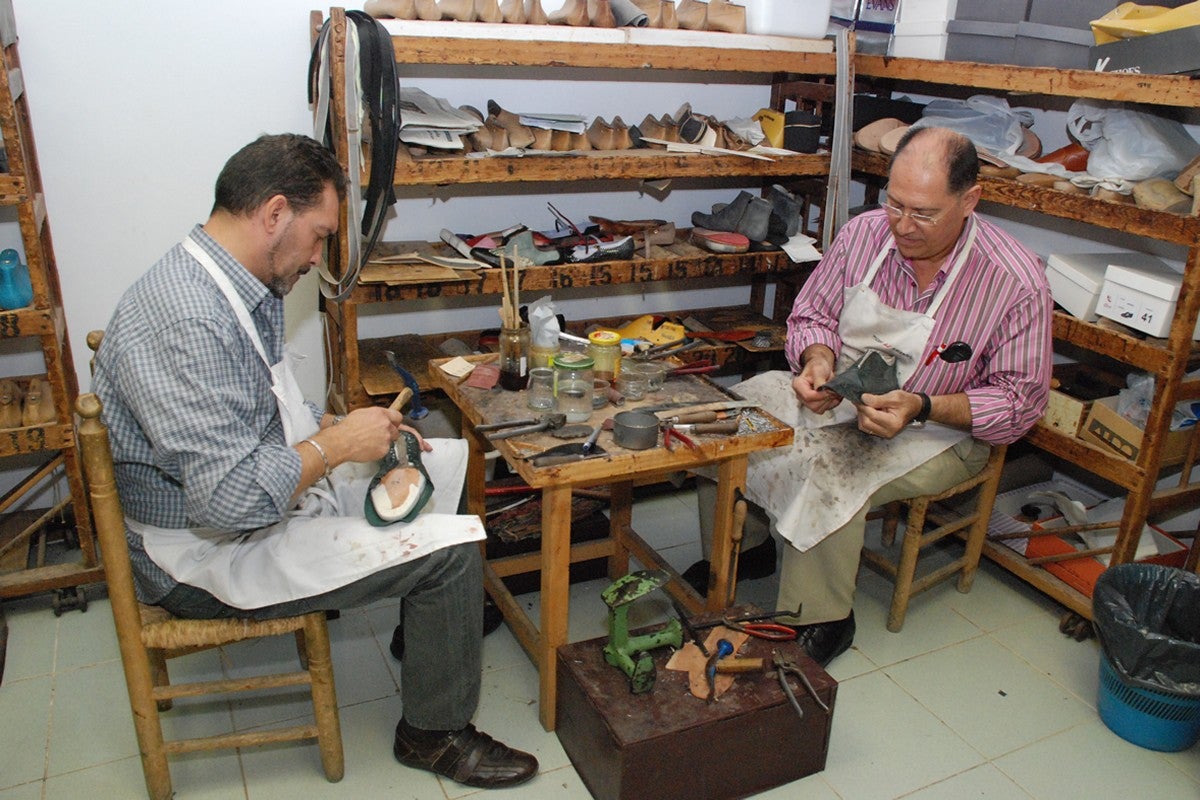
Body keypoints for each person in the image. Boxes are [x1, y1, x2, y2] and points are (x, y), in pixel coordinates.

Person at [91, 133, 537, 789]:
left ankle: (428, 635)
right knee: (454, 550)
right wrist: (334, 448)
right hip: (199, 552)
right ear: (274, 214)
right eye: (320, 235)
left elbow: (260, 401)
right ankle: (432, 734)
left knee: (439, 457)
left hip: (248, 495)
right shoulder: (186, 318)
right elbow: (230, 501)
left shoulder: (236, 282)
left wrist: (330, 428)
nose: (320, 256)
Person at [690, 126, 1052, 666]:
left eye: (924, 213)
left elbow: (1019, 403)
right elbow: (813, 314)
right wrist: (818, 362)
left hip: (941, 429)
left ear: (970, 200)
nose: (903, 227)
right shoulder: (864, 234)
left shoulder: (1015, 282)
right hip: (845, 389)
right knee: (732, 419)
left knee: (829, 470)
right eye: (895, 204)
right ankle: (749, 548)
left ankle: (821, 618)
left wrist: (923, 406)